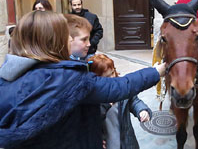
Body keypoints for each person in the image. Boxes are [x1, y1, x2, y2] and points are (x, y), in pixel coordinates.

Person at [0, 10, 166, 149]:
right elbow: (120, 86)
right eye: (66, 35)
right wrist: (157, 71)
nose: (70, 39)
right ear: (53, 41)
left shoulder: (6, 80)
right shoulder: (67, 79)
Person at [88, 54, 151, 149]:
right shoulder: (93, 98)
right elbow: (90, 122)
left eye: (112, 73)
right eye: (107, 76)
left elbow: (133, 101)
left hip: (126, 142)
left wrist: (142, 110)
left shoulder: (122, 87)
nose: (112, 78)